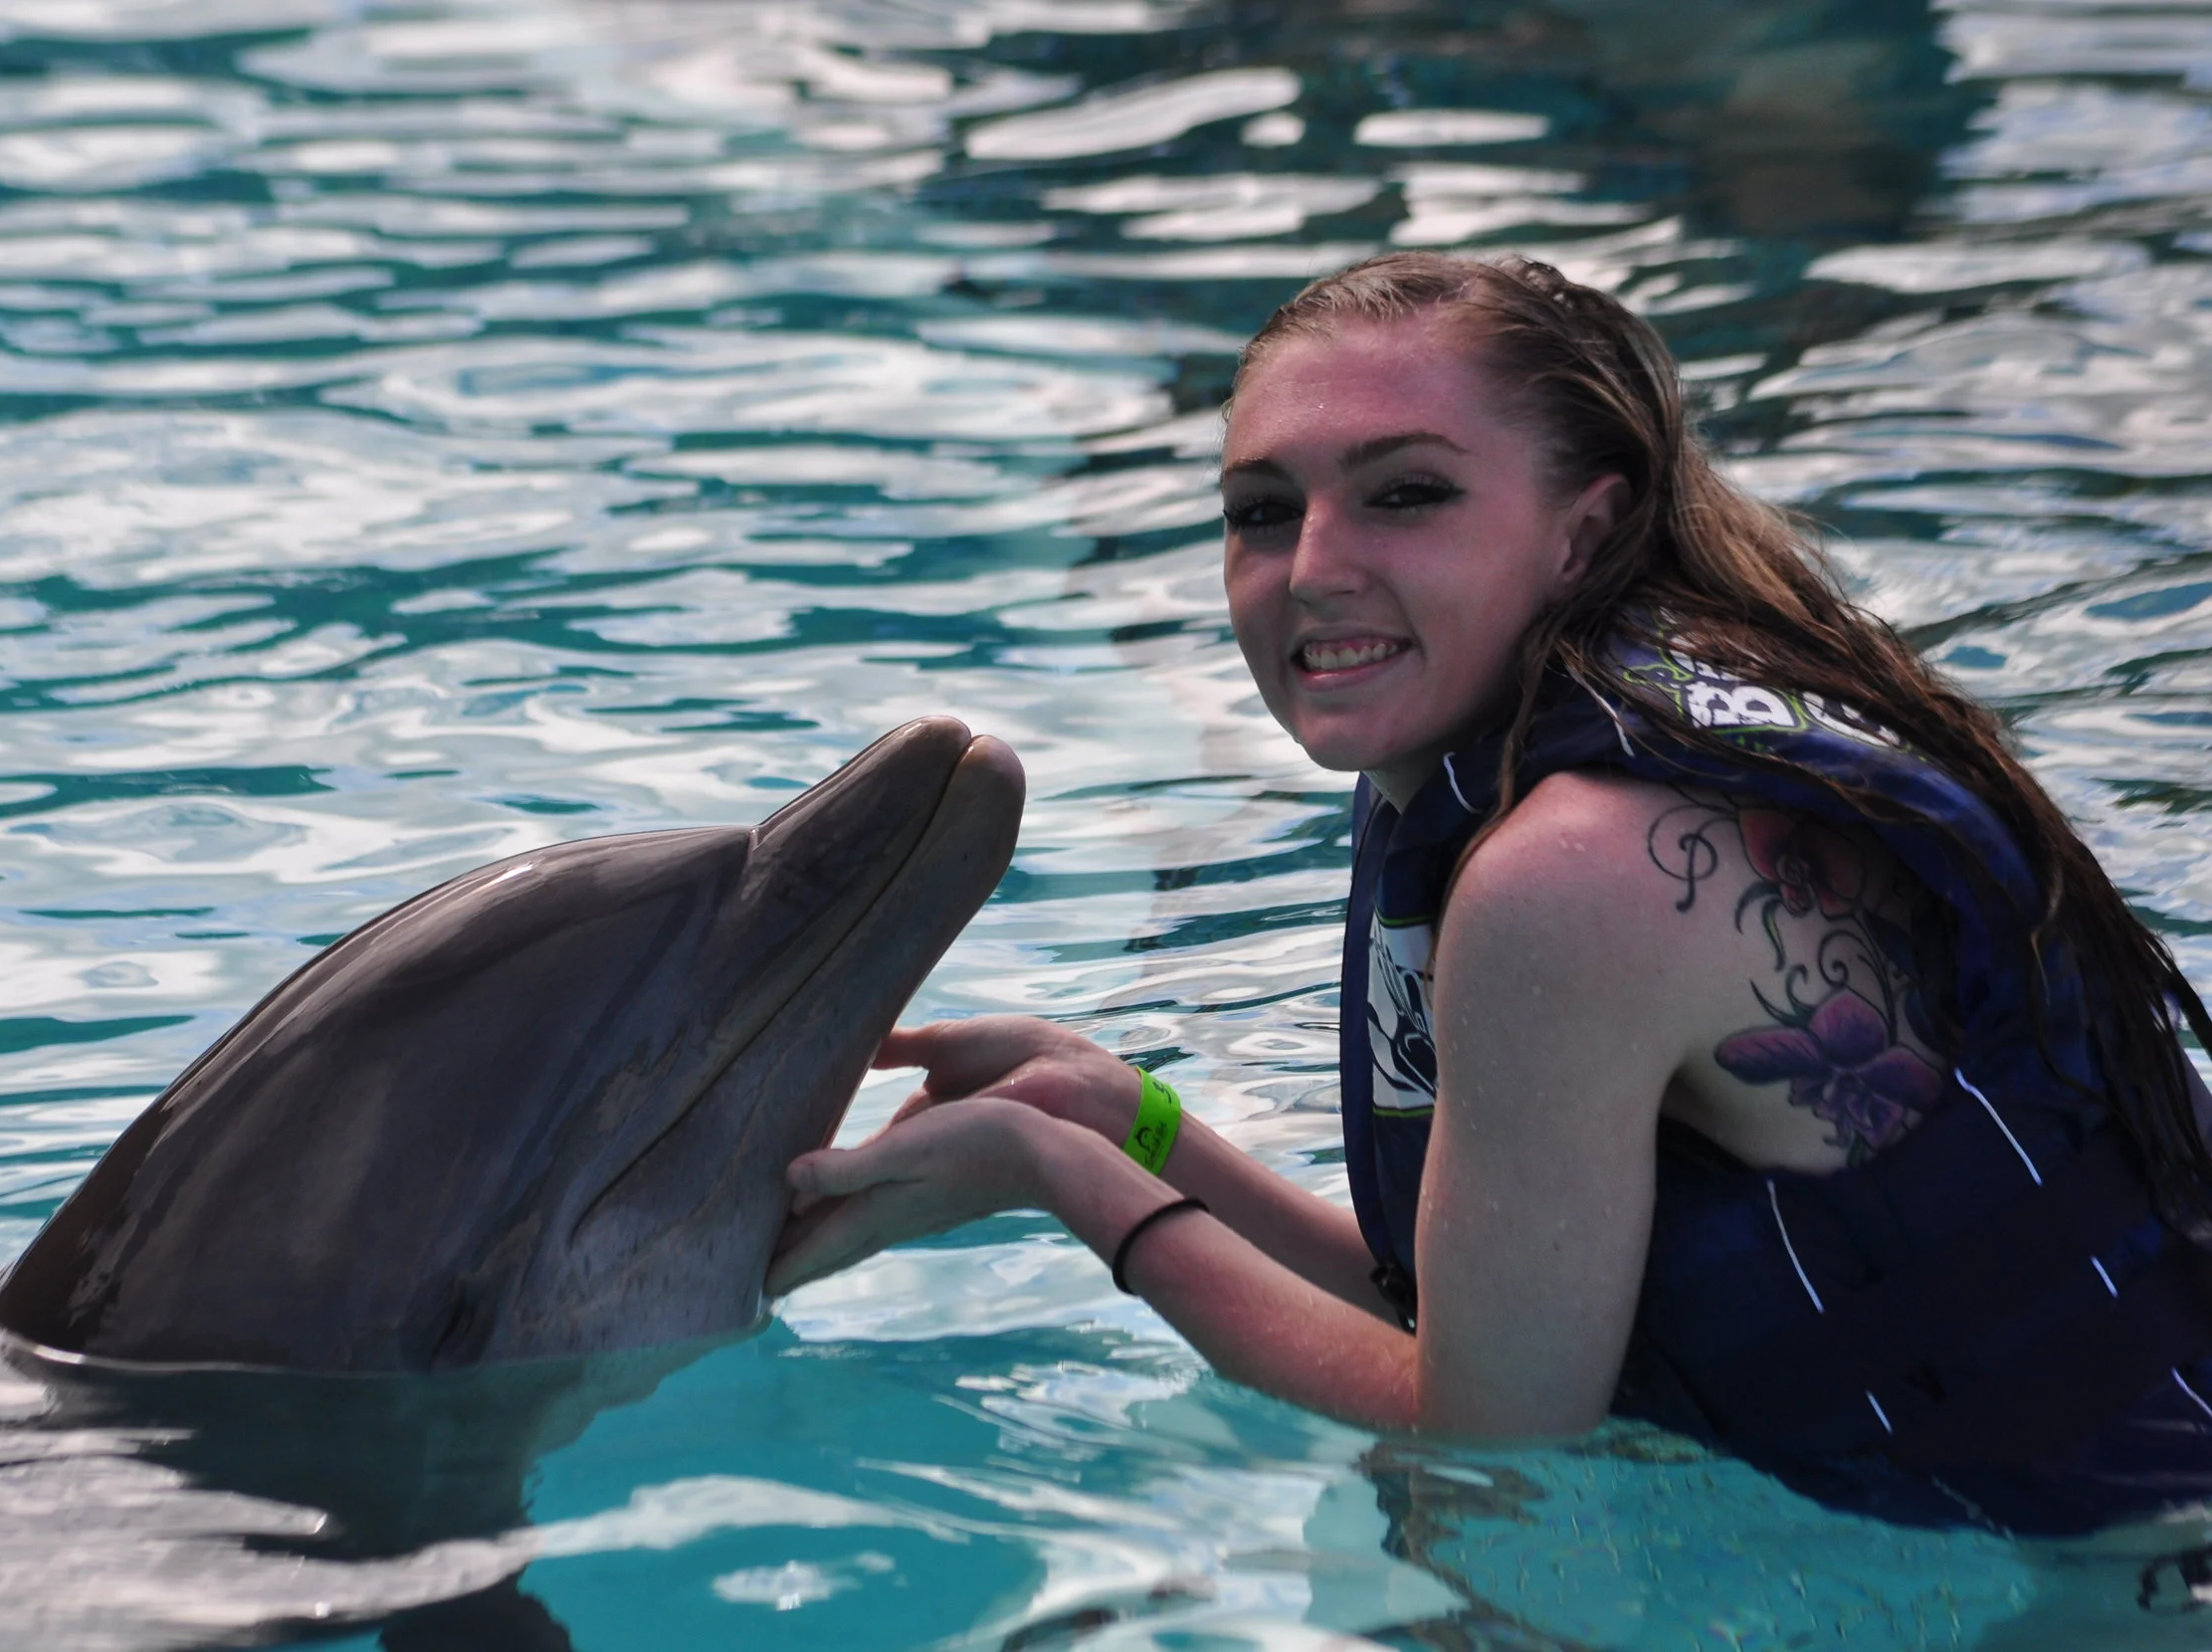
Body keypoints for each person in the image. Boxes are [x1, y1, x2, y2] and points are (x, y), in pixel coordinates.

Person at [764, 253, 2212, 1535]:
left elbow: (1484, 1453)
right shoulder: (1503, 766)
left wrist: (1059, 1183)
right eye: (1262, 512)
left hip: (2133, 1573)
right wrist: (1124, 1122)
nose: (1314, 569)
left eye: (1407, 494)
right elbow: (1459, 1320)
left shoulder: (1574, 871)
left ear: (1584, 531)